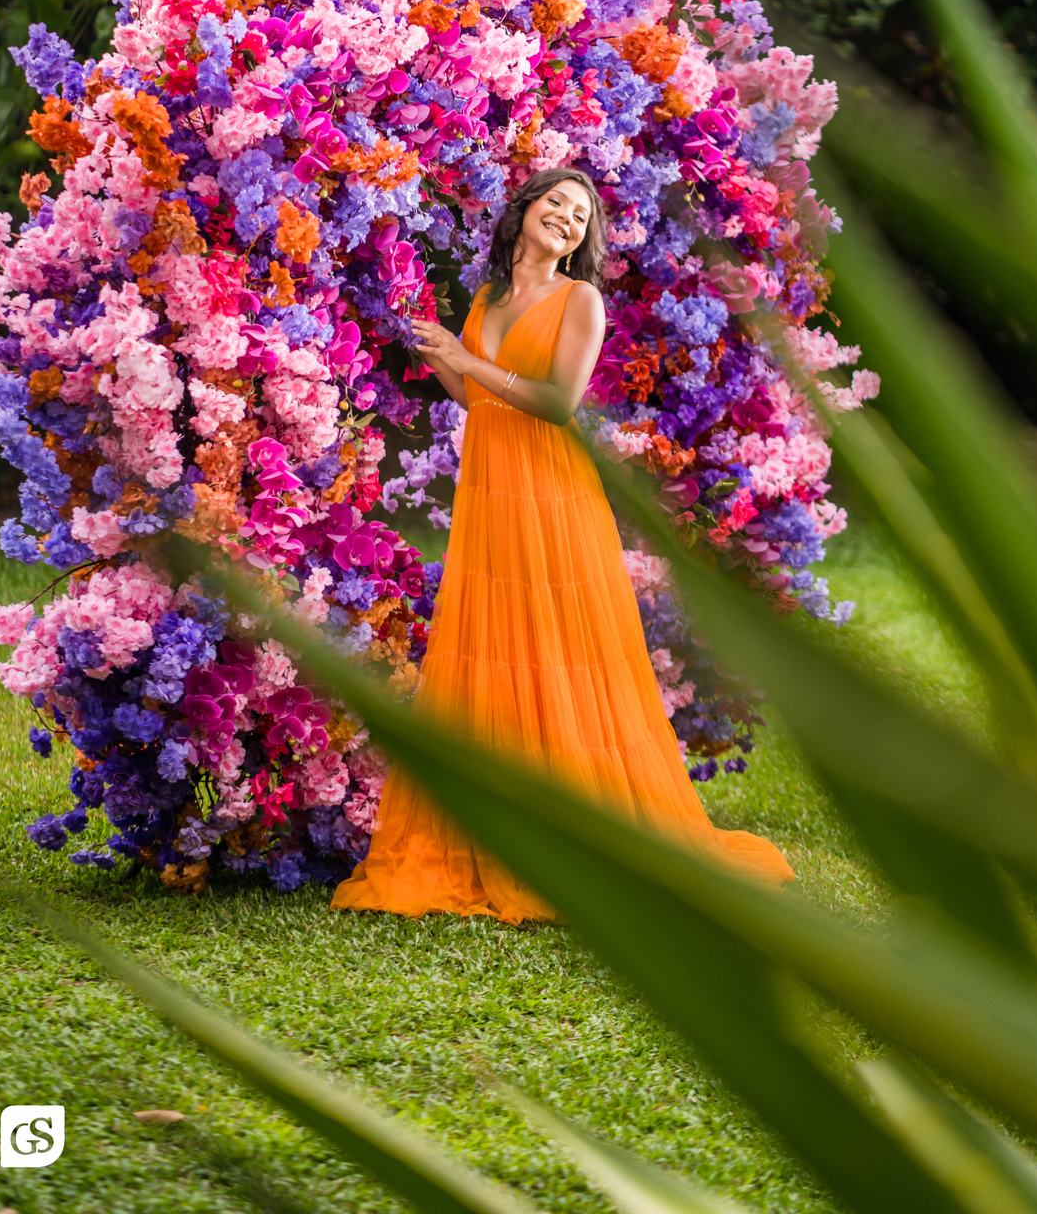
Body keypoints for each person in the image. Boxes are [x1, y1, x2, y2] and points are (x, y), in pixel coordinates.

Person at [331, 167, 793, 922]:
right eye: (558, 204)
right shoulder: (489, 297)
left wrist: (467, 356)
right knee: (496, 643)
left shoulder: (582, 300)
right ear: (523, 211)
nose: (570, 220)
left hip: (552, 492)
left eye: (582, 216)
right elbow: (480, 397)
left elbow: (555, 402)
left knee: (558, 650)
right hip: (491, 490)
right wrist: (445, 358)